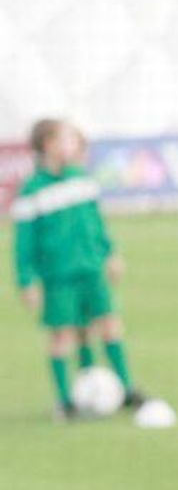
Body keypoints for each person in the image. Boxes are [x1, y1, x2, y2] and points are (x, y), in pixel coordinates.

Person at [11, 118, 146, 419]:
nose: (75, 146)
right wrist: (26, 280)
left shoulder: (82, 180)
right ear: (48, 144)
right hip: (59, 276)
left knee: (108, 324)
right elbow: (23, 244)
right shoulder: (31, 191)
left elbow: (96, 223)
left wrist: (110, 253)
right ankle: (65, 401)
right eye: (67, 139)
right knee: (63, 336)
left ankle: (126, 388)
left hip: (91, 269)